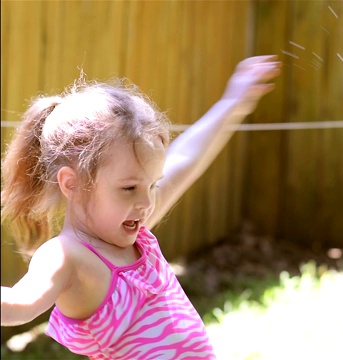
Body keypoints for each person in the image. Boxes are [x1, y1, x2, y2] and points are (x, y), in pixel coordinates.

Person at [0, 55, 281, 359]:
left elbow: (185, 159)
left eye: (151, 185)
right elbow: (18, 304)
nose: (146, 202)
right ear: (72, 183)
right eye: (129, 188)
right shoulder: (68, 256)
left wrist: (232, 103)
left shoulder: (136, 233)